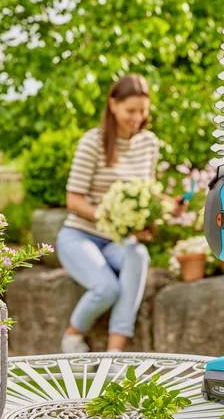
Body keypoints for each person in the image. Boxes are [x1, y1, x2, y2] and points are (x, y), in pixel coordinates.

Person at [56, 74, 182, 353]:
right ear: (113, 105)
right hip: (80, 235)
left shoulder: (149, 143)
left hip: (117, 240)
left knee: (138, 254)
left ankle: (115, 353)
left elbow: (145, 191)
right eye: (131, 111)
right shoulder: (93, 142)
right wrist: (112, 217)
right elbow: (74, 201)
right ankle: (72, 335)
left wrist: (165, 206)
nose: (137, 118)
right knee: (107, 289)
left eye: (143, 111)